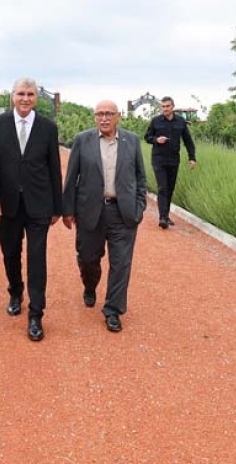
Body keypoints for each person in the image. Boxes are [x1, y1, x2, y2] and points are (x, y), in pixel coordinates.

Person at [0, 78, 63, 341]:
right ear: (12, 96)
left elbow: (54, 168)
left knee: (37, 259)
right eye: (20, 94)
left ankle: (36, 314)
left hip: (39, 204)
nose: (25, 98)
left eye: (30, 94)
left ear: (36, 97)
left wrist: (58, 207)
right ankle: (15, 292)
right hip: (6, 205)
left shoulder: (48, 127)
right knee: (10, 253)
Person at [62, 100, 147, 332]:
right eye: (99, 114)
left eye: (109, 113)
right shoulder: (82, 140)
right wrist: (67, 210)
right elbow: (71, 177)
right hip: (90, 211)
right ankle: (90, 286)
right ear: (94, 117)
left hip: (123, 212)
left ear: (118, 116)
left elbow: (140, 178)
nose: (104, 118)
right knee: (88, 258)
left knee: (121, 264)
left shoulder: (131, 140)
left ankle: (113, 310)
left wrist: (139, 207)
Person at [144, 96, 196, 229]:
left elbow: (188, 141)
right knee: (162, 187)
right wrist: (156, 140)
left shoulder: (180, 122)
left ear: (173, 107)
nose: (165, 109)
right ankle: (162, 218)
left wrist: (192, 158)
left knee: (170, 188)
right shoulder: (156, 121)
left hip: (173, 160)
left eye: (167, 106)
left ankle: (166, 216)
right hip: (158, 159)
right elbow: (147, 137)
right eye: (163, 106)